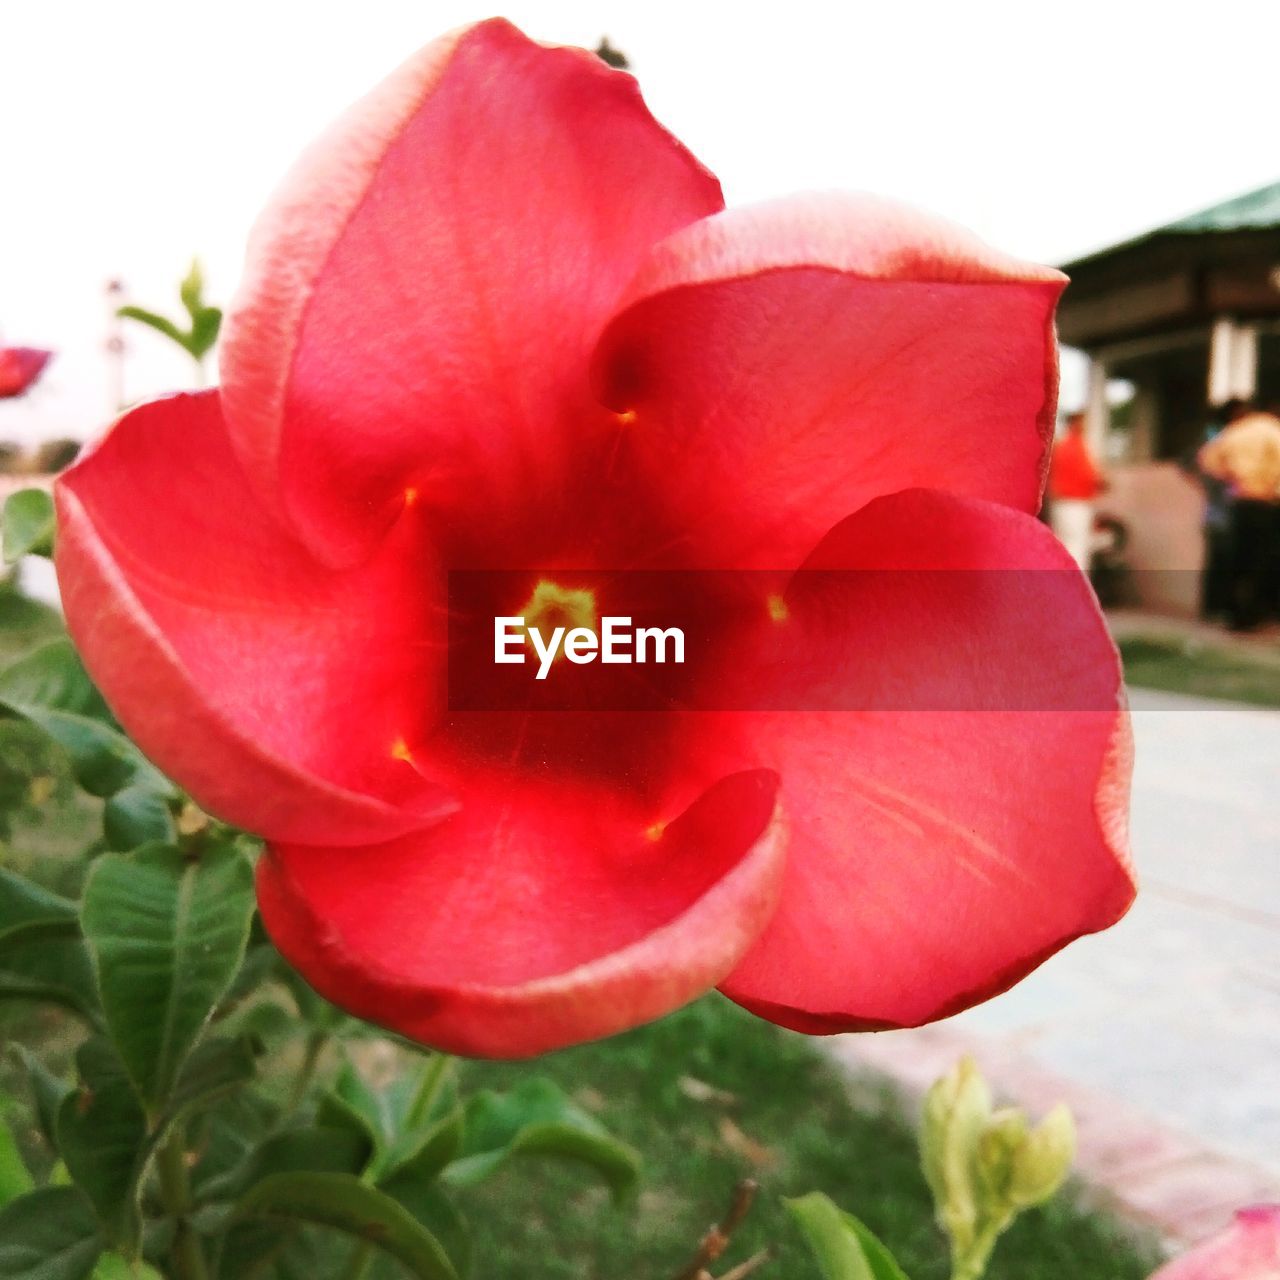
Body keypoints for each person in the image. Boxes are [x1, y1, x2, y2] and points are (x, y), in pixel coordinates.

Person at [1197, 398, 1280, 630]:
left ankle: (1236, 616)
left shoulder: (1232, 432)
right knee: (1264, 560)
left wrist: (1232, 477)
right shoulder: (1270, 428)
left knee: (1240, 558)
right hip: (1266, 502)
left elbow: (1208, 461)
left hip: (1240, 502)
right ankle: (1257, 614)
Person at [1047, 411, 1105, 571]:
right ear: (1076, 423)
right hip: (1075, 504)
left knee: (1063, 547)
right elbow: (1089, 476)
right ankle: (1074, 593)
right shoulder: (1076, 446)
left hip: (1061, 504)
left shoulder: (1061, 445)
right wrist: (1102, 483)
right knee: (1077, 549)